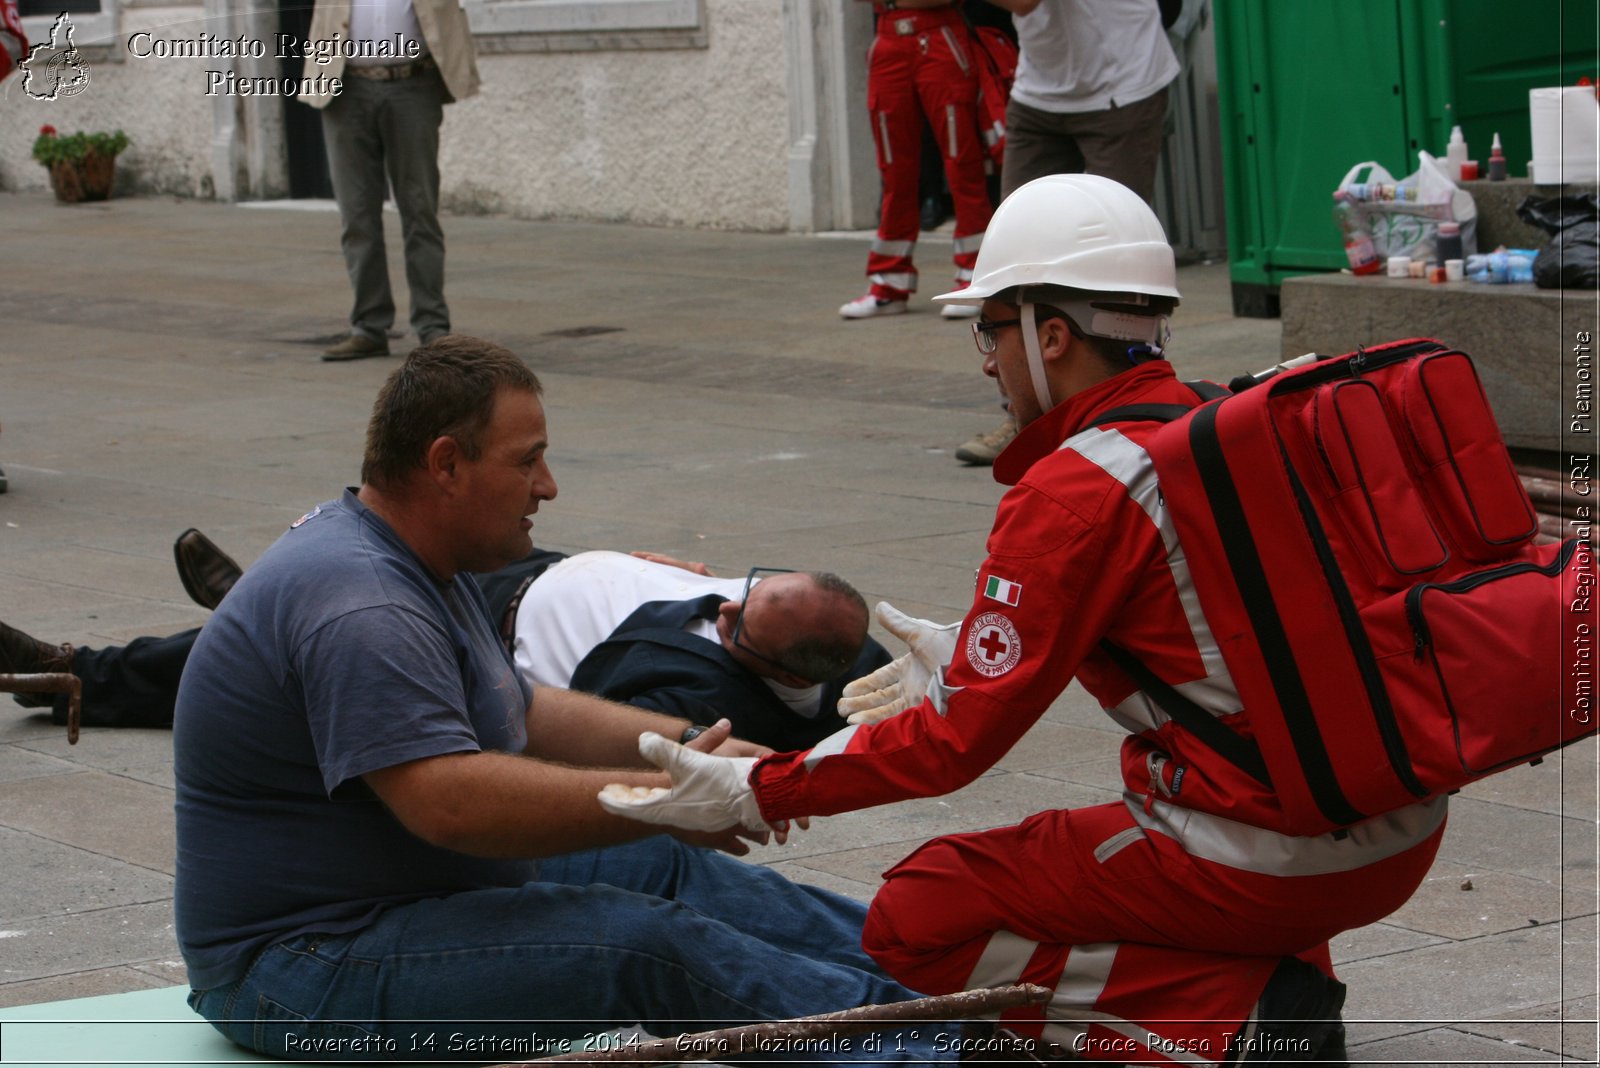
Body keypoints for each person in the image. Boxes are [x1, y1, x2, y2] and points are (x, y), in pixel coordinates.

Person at [602, 176, 1448, 1064]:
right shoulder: (1213, 420)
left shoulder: (1077, 489)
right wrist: (971, 653)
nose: (985, 358)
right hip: (1398, 819)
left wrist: (762, 786)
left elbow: (954, 746)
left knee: (919, 912)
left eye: (992, 328)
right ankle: (1263, 991)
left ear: (1051, 334)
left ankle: (1244, 1026)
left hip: (1273, 854)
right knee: (1150, 816)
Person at [172, 336, 952, 1061]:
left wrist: (683, 747)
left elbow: (526, 708)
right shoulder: (367, 601)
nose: (547, 486)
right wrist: (670, 794)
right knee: (639, 944)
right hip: (295, 968)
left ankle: (954, 979)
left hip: (405, 899)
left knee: (663, 866)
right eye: (528, 461)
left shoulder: (417, 557)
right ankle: (938, 1052)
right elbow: (447, 802)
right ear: (446, 464)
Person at [1, 547, 887, 751]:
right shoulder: (834, 639)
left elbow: (602, 754)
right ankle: (267, 606)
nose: (724, 605)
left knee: (332, 630)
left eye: (736, 618)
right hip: (534, 566)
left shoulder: (690, 700)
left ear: (770, 667)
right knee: (340, 592)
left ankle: (72, 675)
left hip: (488, 628)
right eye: (744, 586)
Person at [954, 0, 1179, 465]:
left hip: (1122, 82)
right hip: (1040, 87)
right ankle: (1023, 415)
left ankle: (1135, 414)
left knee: (1117, 271)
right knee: (1012, 266)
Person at [297, 0, 477, 361]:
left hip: (413, 83)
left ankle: (432, 327)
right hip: (344, 86)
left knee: (420, 210)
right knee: (357, 215)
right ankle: (368, 327)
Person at [839, 0, 993, 322]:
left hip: (939, 36)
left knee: (962, 162)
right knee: (894, 171)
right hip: (888, 41)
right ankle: (888, 285)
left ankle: (975, 277)